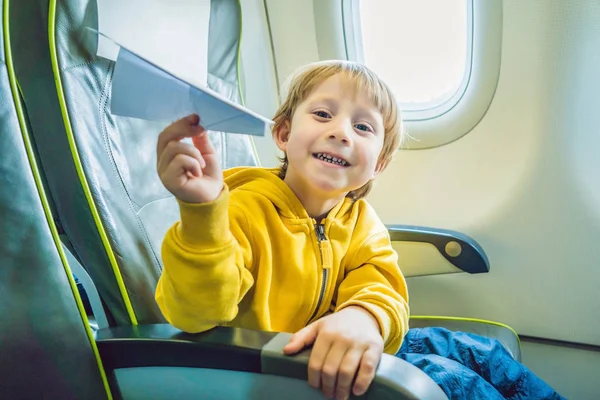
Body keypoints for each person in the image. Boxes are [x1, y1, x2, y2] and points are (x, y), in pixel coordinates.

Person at [155, 60, 409, 400]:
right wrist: (202, 215)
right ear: (284, 134)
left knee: (476, 355)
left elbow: (381, 284)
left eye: (363, 127)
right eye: (322, 114)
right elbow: (196, 313)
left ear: (378, 164)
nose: (341, 132)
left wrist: (363, 317)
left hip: (333, 363)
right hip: (268, 376)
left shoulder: (363, 224)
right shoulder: (242, 210)